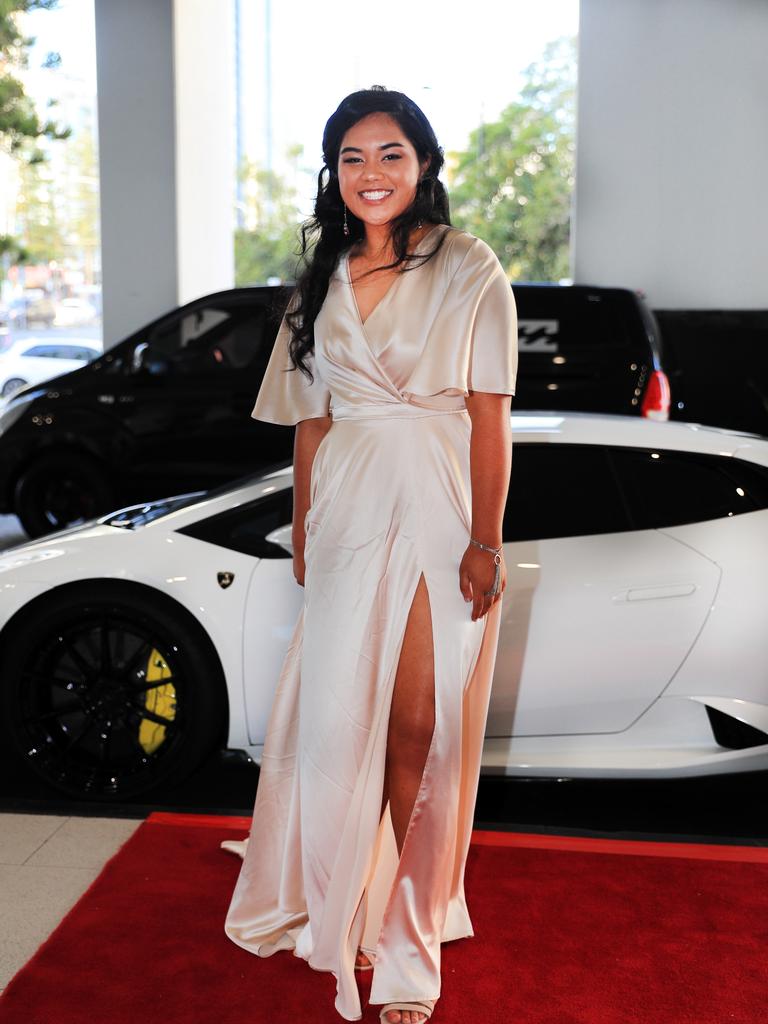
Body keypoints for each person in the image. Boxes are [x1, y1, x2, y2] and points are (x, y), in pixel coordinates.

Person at [221, 86, 518, 1024]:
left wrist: (484, 539)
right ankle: (347, 895)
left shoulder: (469, 266)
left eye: (390, 154)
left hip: (438, 506)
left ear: (424, 165)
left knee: (419, 729)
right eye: (352, 158)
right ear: (334, 175)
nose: (372, 174)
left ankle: (409, 949)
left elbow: (489, 416)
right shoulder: (322, 280)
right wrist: (305, 531)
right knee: (343, 722)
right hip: (346, 514)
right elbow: (310, 427)